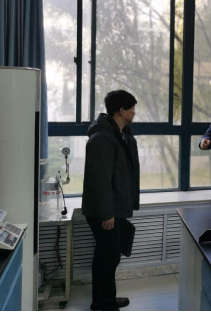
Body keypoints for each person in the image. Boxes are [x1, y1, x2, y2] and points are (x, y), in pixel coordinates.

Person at [82, 90, 141, 312]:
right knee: (108, 257)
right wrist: (107, 214)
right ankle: (105, 305)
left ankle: (102, 301)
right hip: (104, 210)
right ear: (122, 110)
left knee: (107, 256)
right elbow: (100, 180)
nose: (135, 112)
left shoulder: (121, 135)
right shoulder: (102, 138)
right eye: (132, 108)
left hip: (114, 207)